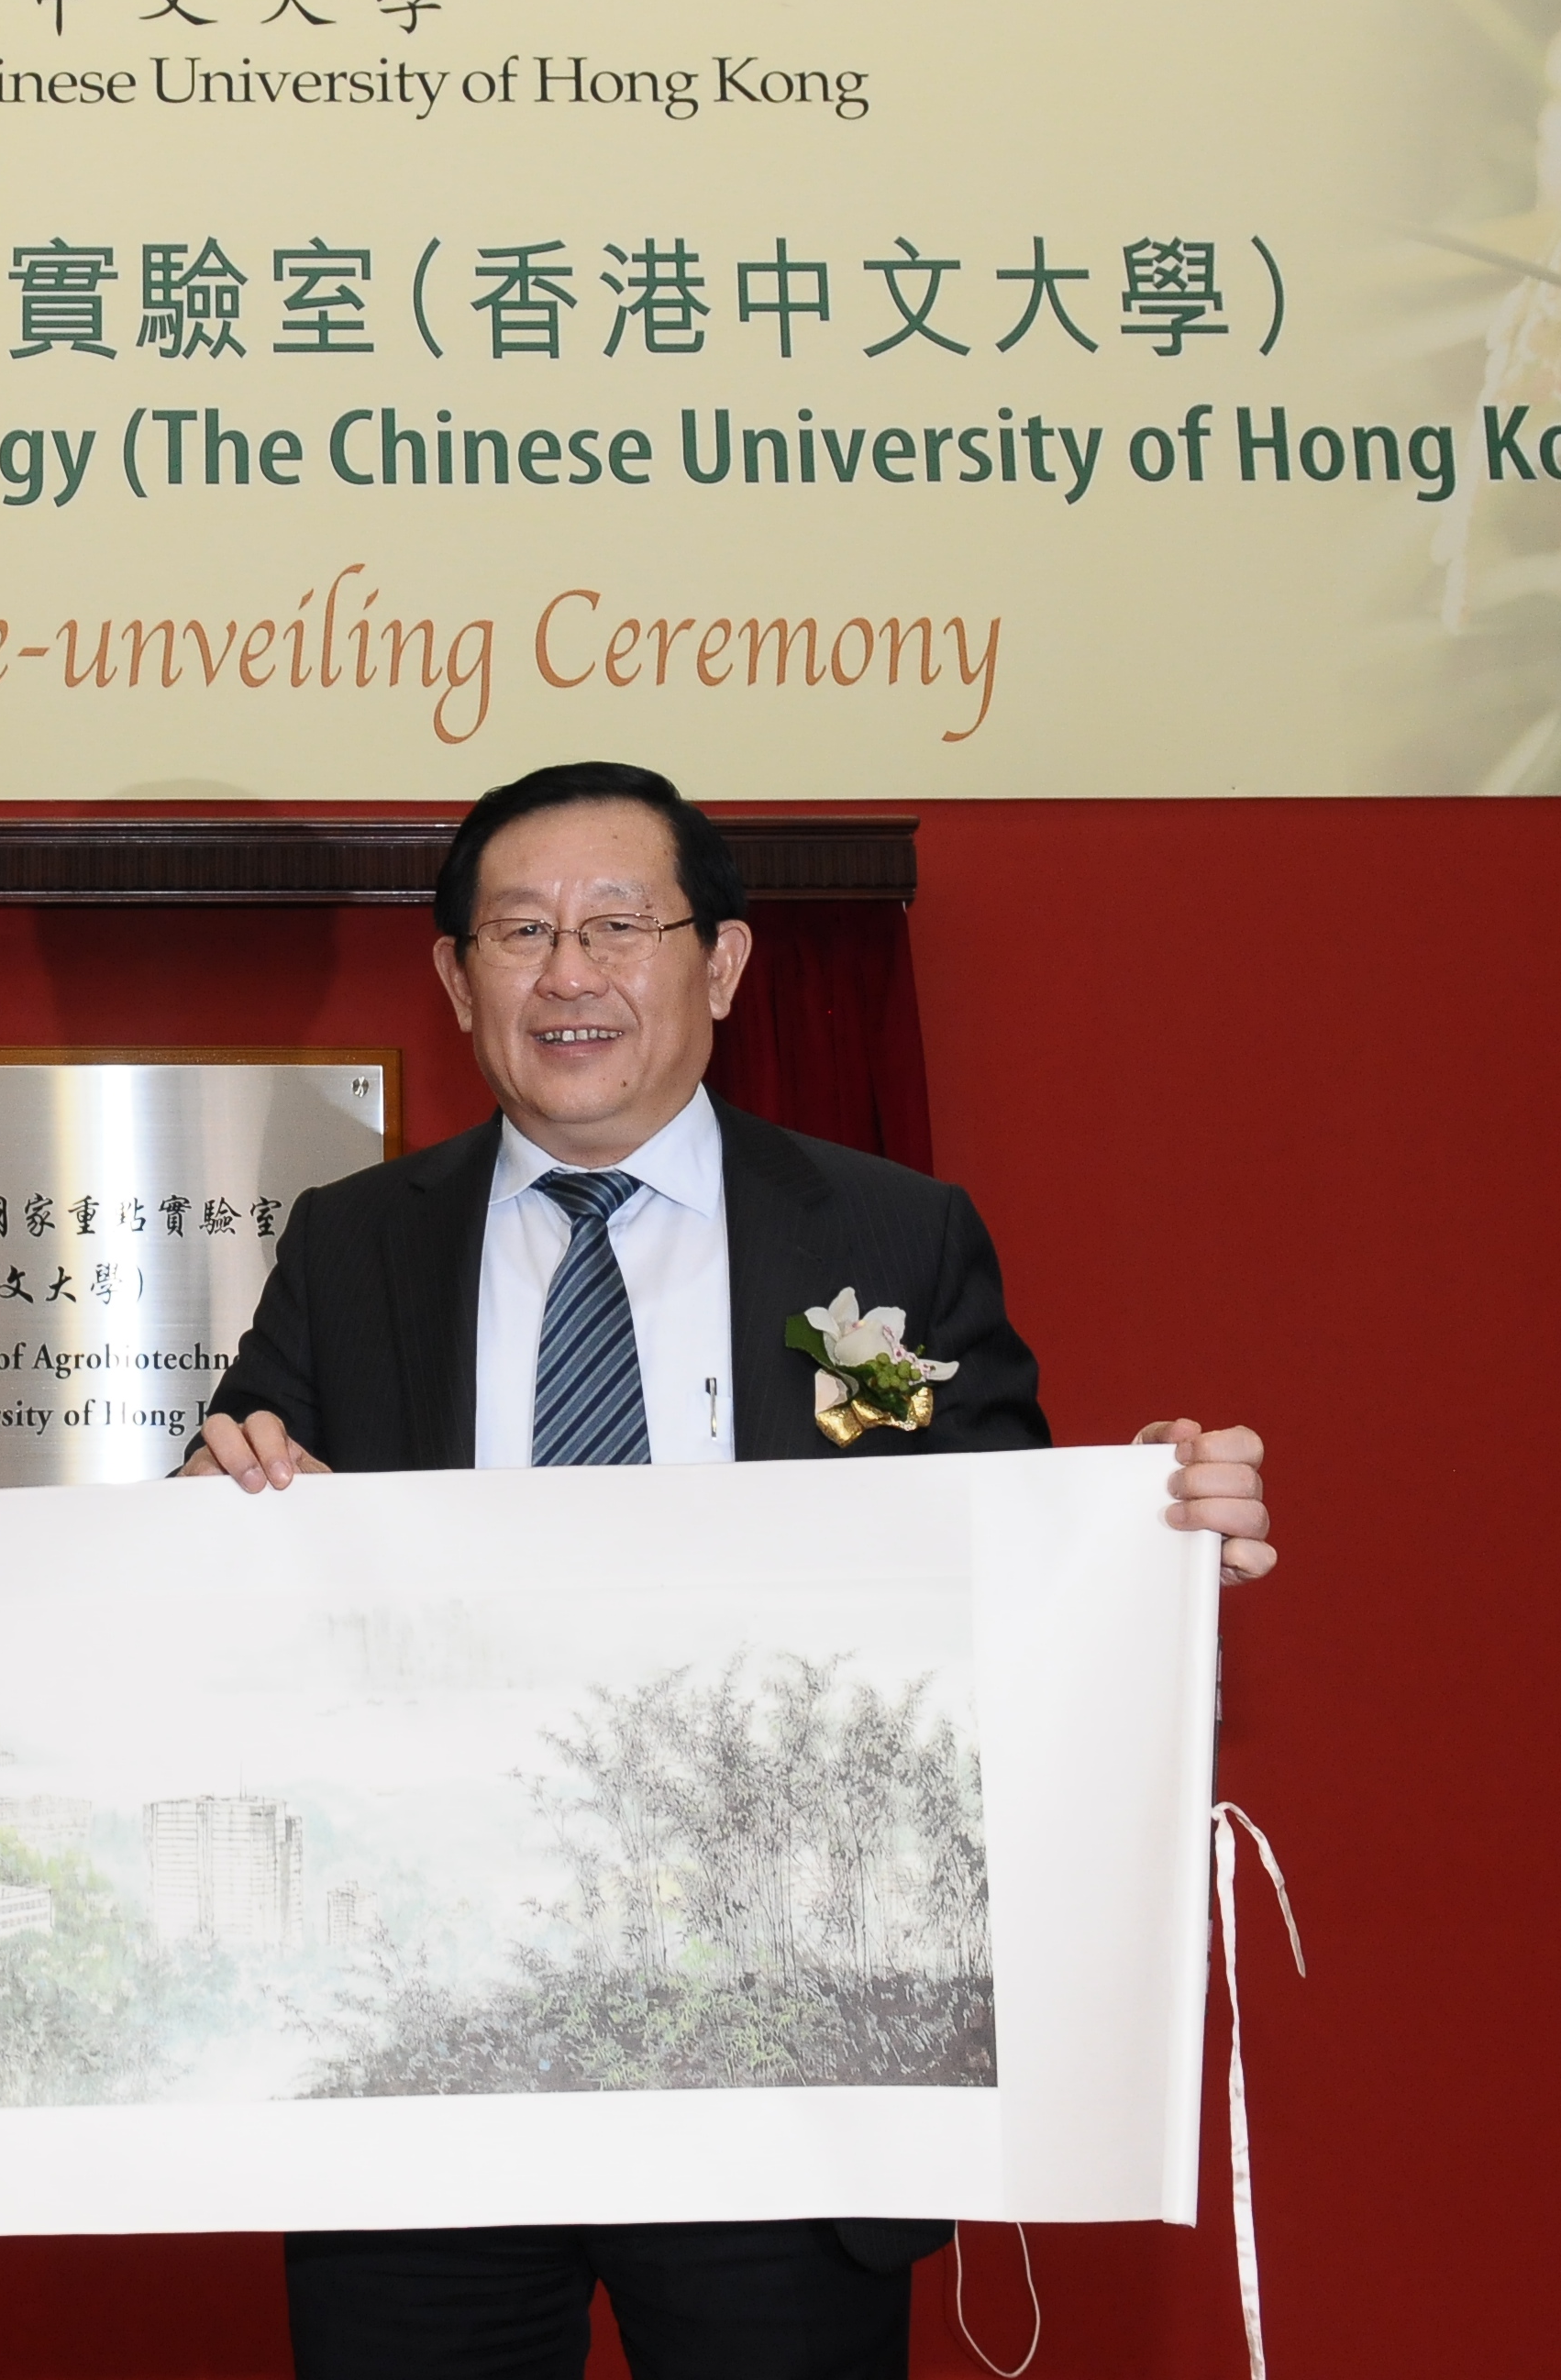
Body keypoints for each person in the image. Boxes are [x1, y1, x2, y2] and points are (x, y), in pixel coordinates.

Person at [188, 760, 1275, 2380]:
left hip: (785, 2066)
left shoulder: (892, 1238)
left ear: (727, 966)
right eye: (522, 931)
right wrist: (212, 1505)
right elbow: (221, 1565)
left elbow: (995, 1586)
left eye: (621, 924)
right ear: (452, 977)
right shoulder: (355, 1248)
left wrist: (1163, 1550)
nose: (570, 974)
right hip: (431, 2072)